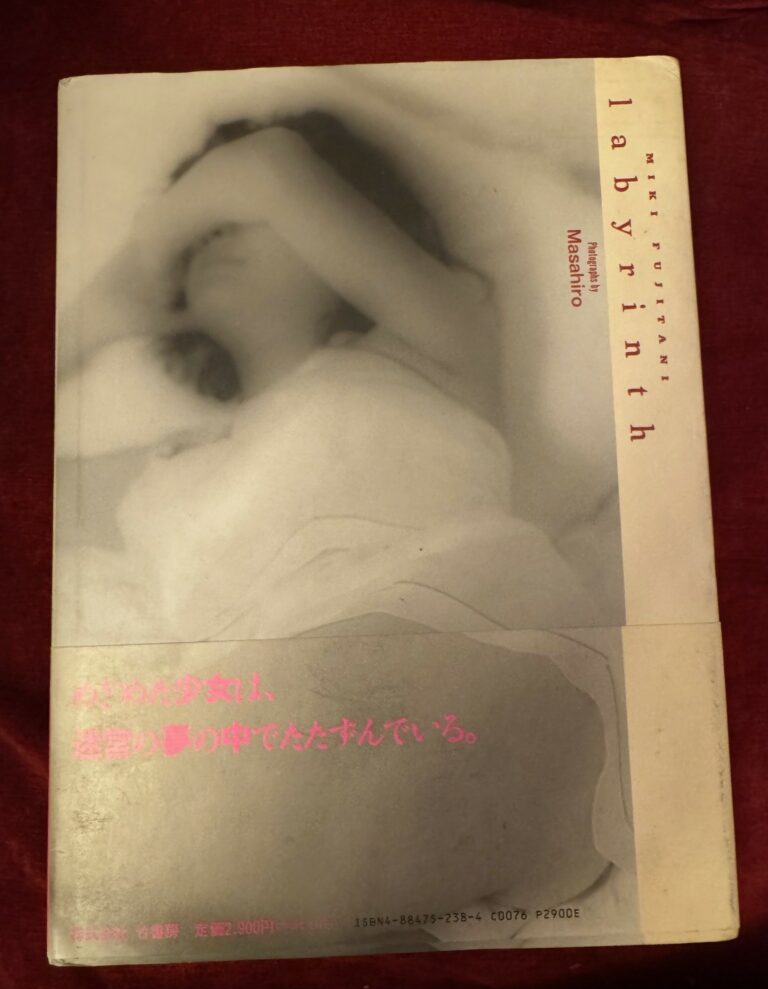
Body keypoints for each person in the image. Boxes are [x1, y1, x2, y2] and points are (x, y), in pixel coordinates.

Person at [54, 110, 628, 934]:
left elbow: (266, 167)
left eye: (225, 221)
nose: (208, 244)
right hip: (282, 742)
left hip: (466, 660)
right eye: (198, 237)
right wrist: (84, 327)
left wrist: (146, 255)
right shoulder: (158, 469)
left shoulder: (434, 340)